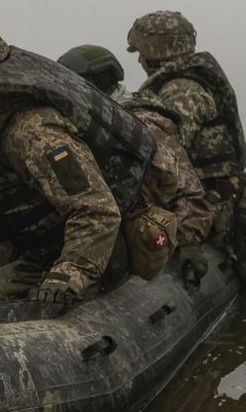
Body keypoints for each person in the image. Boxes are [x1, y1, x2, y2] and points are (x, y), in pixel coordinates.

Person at [0, 21, 156, 306]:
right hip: (34, 239)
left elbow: (96, 209)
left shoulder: (32, 131)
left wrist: (69, 274)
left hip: (85, 247)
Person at [123, 12, 246, 285]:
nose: (139, 60)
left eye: (140, 52)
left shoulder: (181, 91)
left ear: (155, 52)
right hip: (212, 200)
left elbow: (166, 157)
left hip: (207, 208)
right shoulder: (186, 84)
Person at [59, 44, 215, 274]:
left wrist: (188, 241)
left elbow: (189, 192)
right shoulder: (89, 123)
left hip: (142, 227)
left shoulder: (141, 125)